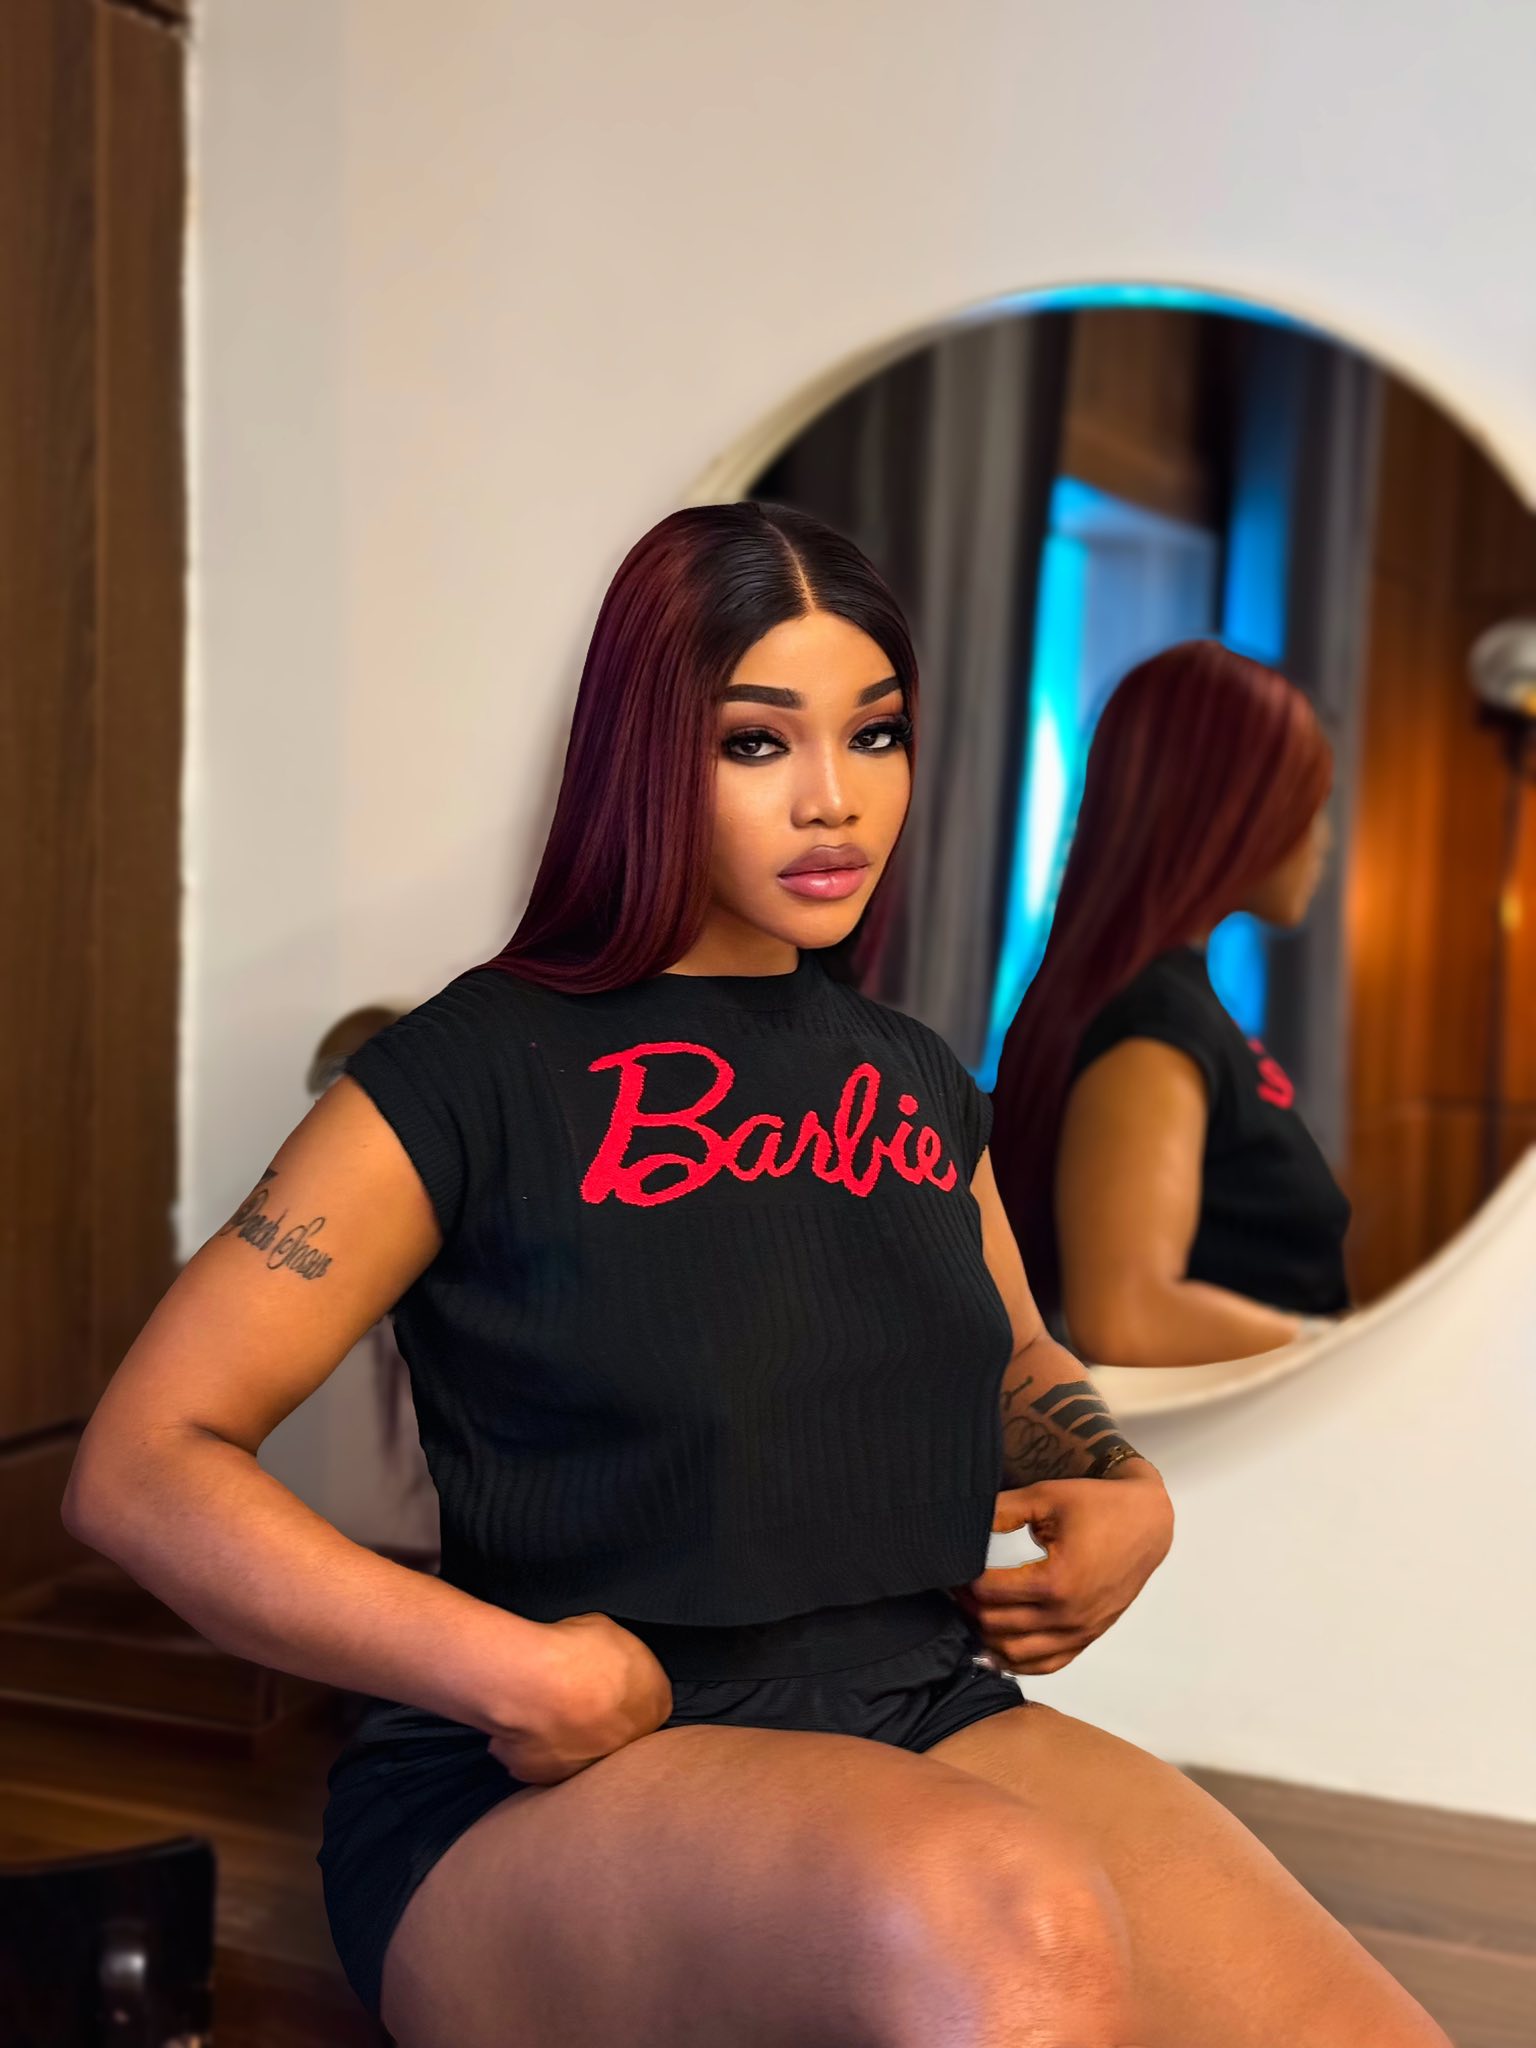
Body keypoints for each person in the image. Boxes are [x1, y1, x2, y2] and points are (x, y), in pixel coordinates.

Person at [62, 510, 1444, 2048]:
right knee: (1020, 1930)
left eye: (876, 732)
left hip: (922, 1708)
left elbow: (1017, 1357)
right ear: (649, 758)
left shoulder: (916, 1078)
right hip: (556, 1777)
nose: (834, 798)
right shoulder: (465, 1074)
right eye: (757, 742)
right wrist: (506, 1669)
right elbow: (142, 1465)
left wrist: (1120, 1480)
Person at [992, 640, 1354, 1371]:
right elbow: (1128, 1316)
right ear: (1233, 812)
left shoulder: (1168, 1002)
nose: (1324, 840)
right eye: (1309, 806)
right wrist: (1346, 1352)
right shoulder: (1153, 1025)